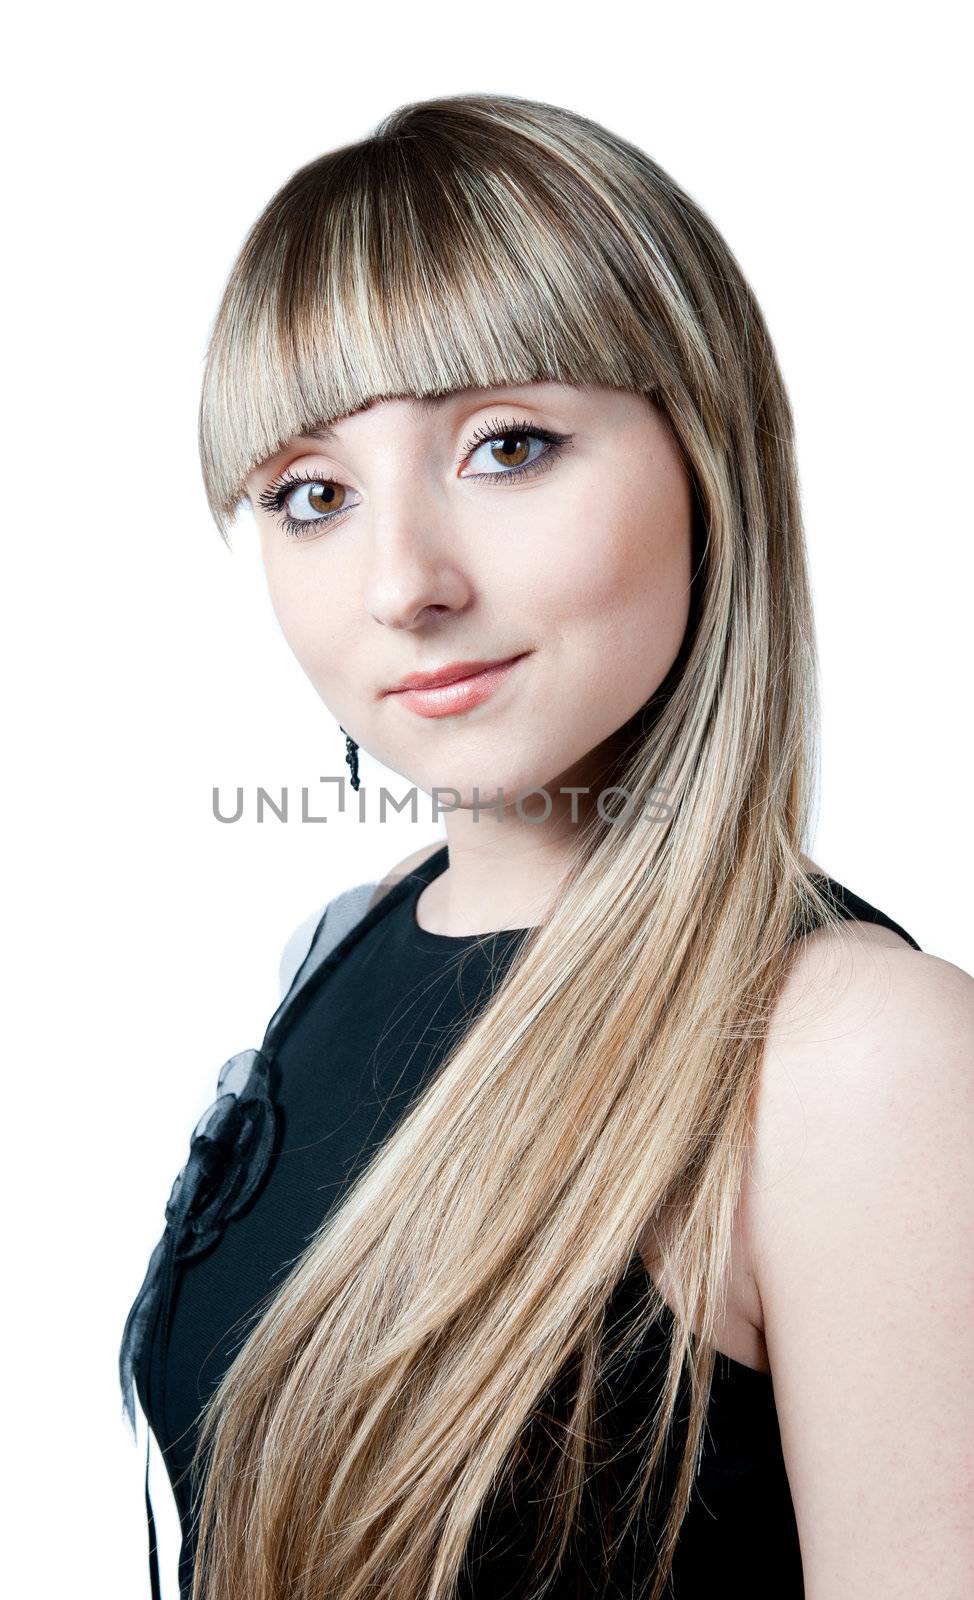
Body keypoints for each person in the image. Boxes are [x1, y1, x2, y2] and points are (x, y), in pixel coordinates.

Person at [119, 92, 974, 1600]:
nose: (403, 581)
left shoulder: (858, 1059)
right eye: (311, 494)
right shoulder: (344, 942)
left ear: (707, 462)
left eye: (508, 446)